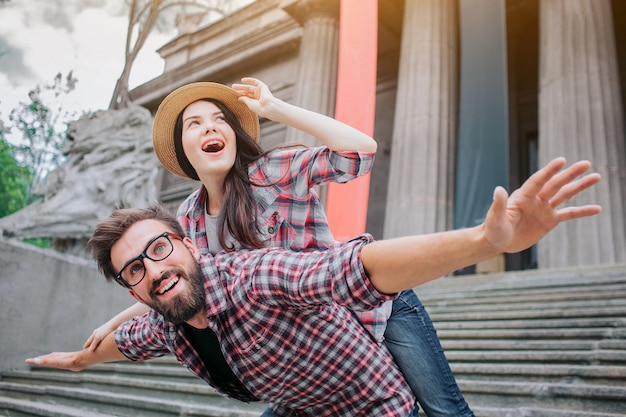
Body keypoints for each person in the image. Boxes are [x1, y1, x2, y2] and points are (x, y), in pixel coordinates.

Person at [27, 156, 600, 416]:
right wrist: (80, 362)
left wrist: (484, 241)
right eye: (135, 270)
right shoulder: (163, 324)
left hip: (372, 405)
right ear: (133, 291)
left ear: (190, 245)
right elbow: (114, 346)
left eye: (159, 249)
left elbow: (357, 268)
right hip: (303, 404)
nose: (153, 269)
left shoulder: (251, 275)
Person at [84, 78, 475, 417]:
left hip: (377, 305)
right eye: (195, 124)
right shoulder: (188, 217)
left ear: (234, 136)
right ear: (183, 147)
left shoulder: (271, 172)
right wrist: (111, 324)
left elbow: (360, 154)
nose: (210, 129)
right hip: (320, 344)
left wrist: (275, 107)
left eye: (220, 120)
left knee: (445, 410)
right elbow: (173, 278)